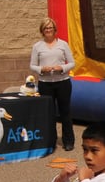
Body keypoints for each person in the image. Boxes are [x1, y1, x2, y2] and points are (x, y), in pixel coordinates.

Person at [30, 17, 77, 151]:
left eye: (50, 28)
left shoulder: (63, 44)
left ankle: (68, 141)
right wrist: (41, 69)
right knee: (48, 113)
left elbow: (72, 63)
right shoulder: (37, 47)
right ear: (42, 31)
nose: (48, 30)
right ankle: (50, 140)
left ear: (55, 30)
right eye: (46, 28)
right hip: (45, 83)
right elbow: (32, 65)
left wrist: (61, 68)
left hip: (62, 82)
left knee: (65, 112)